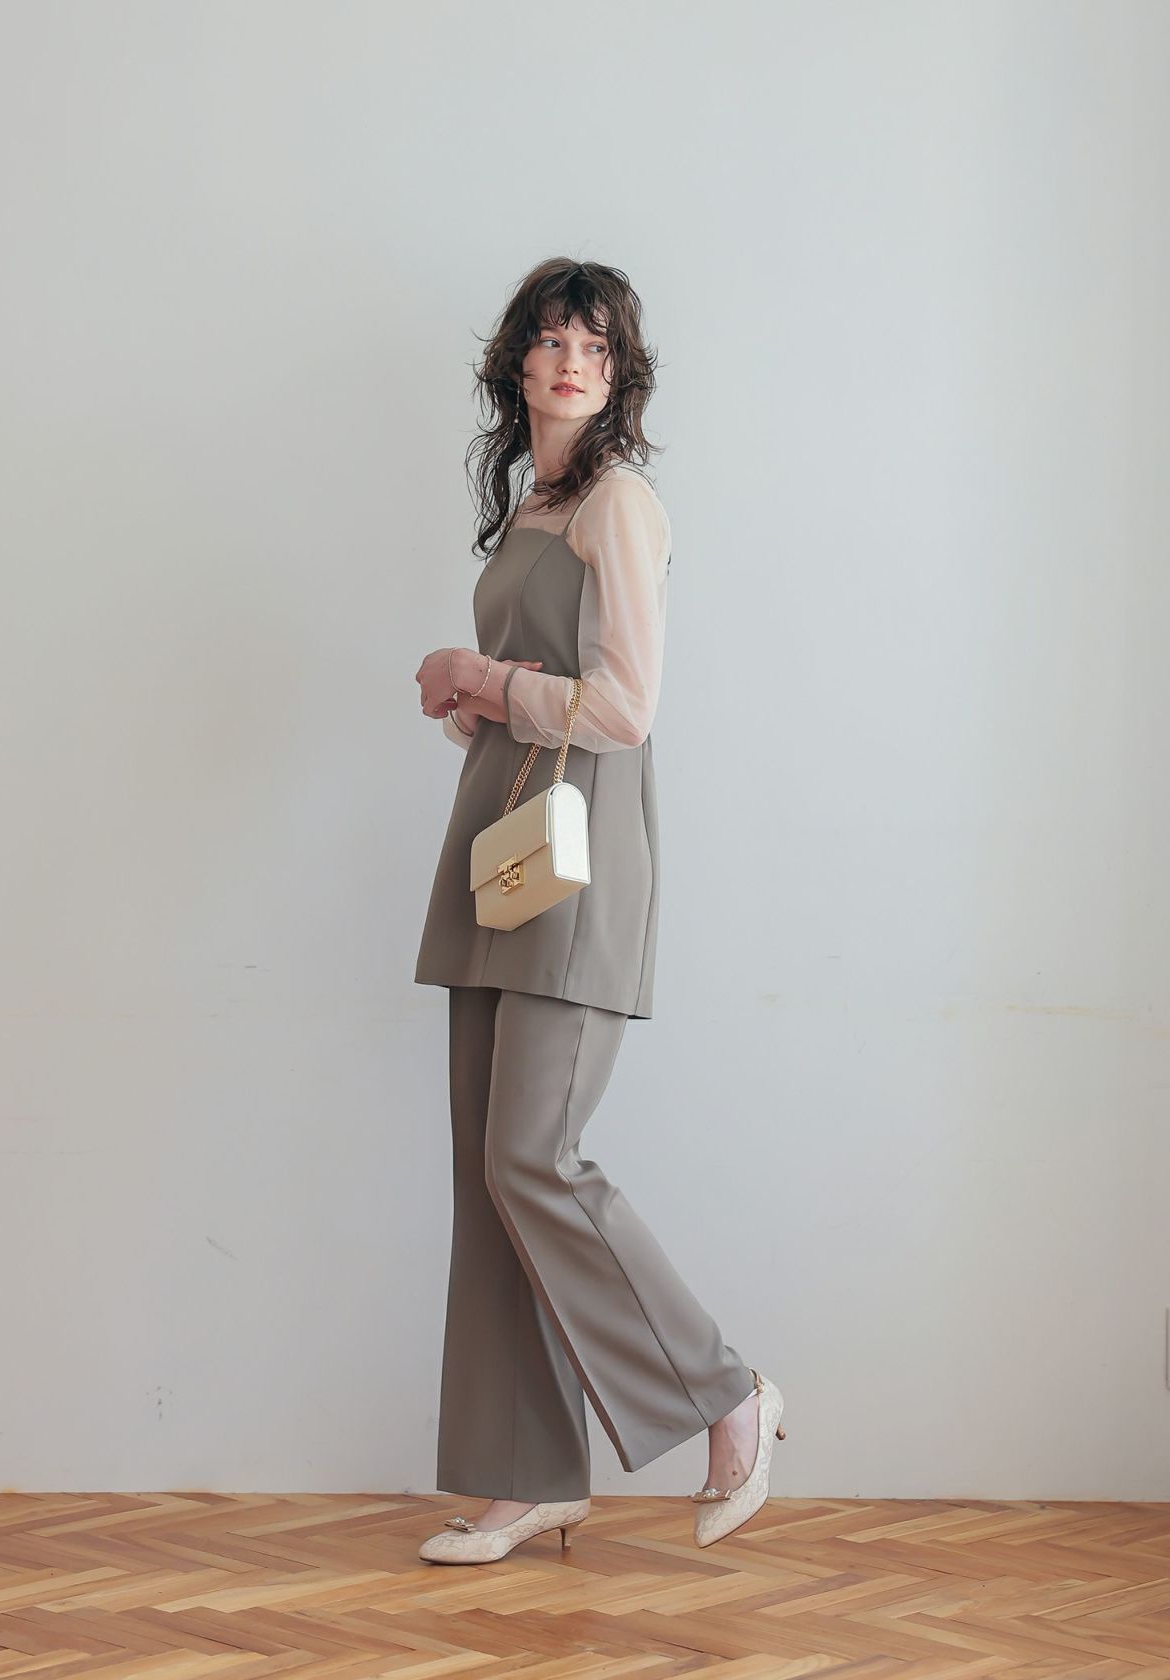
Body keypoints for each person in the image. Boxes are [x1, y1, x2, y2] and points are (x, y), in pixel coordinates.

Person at [412, 258, 785, 1564]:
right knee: (489, 1171)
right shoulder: (534, 503)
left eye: (599, 345)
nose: (573, 360)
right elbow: (538, 691)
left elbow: (624, 708)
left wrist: (478, 672)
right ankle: (527, 1474)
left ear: (620, 375)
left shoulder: (621, 503)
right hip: (505, 842)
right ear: (516, 360)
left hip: (579, 856)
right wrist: (466, 699)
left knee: (535, 1155)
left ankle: (724, 1394)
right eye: (554, 338)